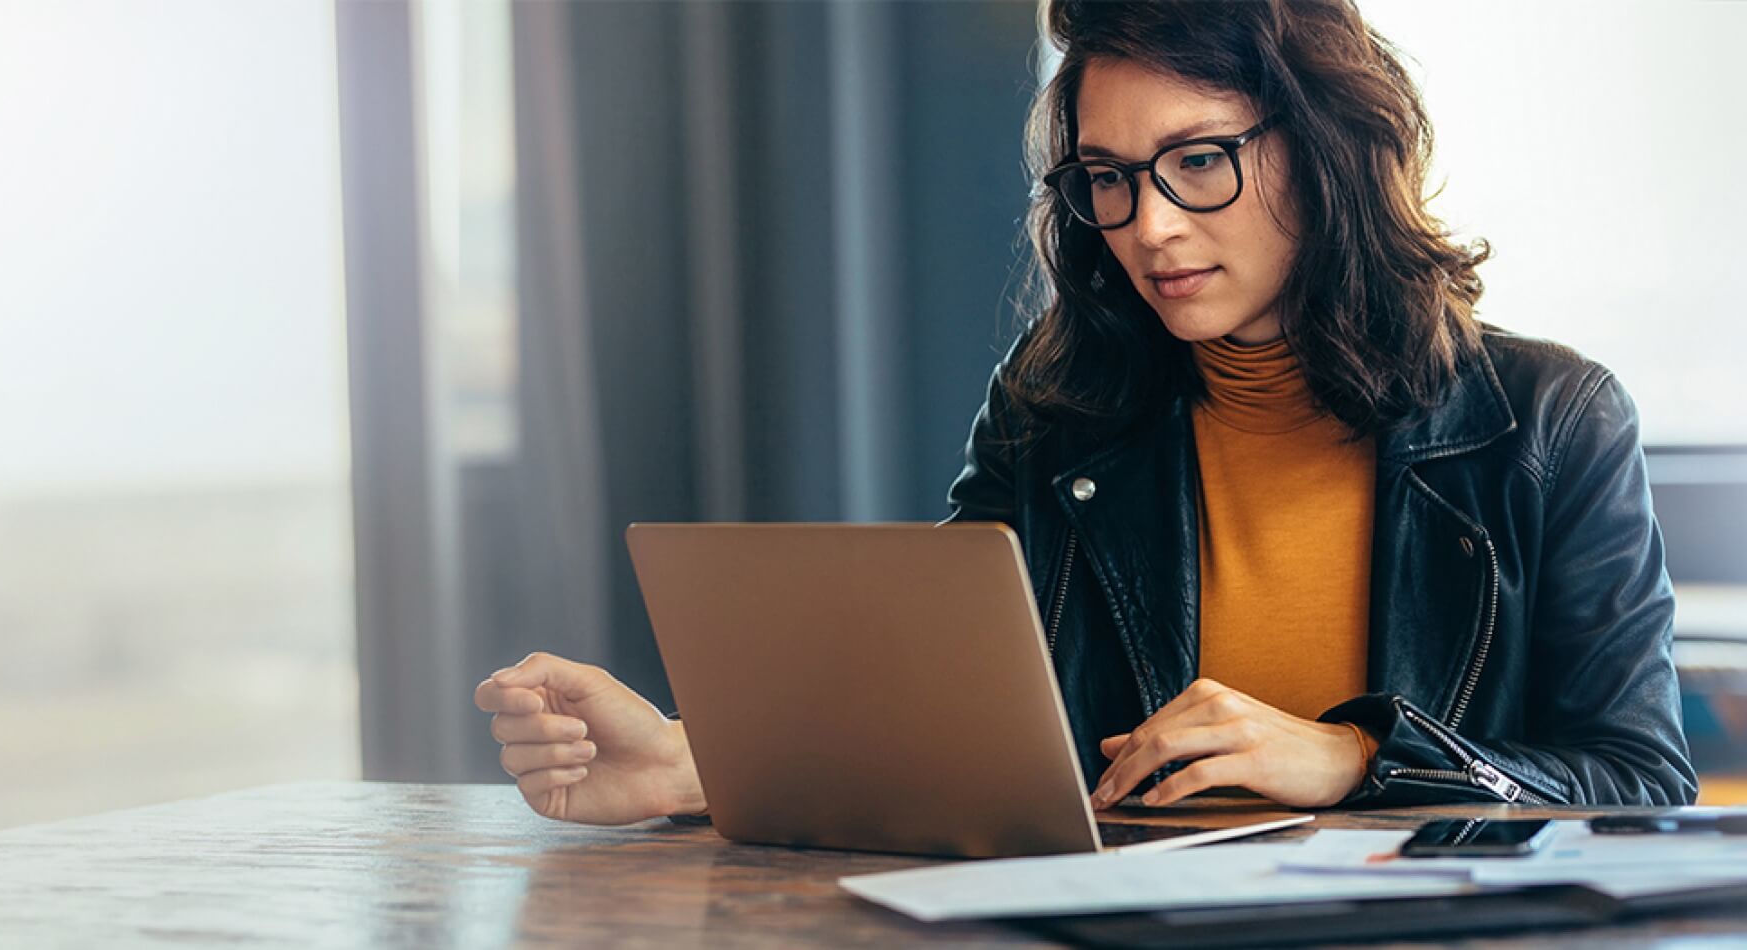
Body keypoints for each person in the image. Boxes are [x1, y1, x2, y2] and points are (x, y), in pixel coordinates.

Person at [473, 0, 1695, 826]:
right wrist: (695, 761)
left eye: (1198, 160)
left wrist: (1359, 760)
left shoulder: (1546, 420)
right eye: (1107, 177)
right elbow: (946, 716)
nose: (1149, 224)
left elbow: (1639, 783)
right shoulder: (1057, 401)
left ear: (1327, 146)